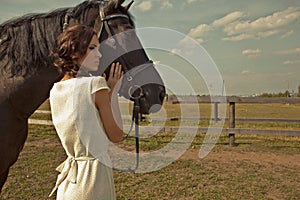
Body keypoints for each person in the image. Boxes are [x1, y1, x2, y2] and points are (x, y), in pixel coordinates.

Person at [48, 24, 123, 199]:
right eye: (92, 48)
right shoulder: (95, 85)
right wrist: (113, 92)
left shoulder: (55, 90)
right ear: (74, 51)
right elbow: (116, 135)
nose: (99, 54)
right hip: (94, 180)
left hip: (69, 183)